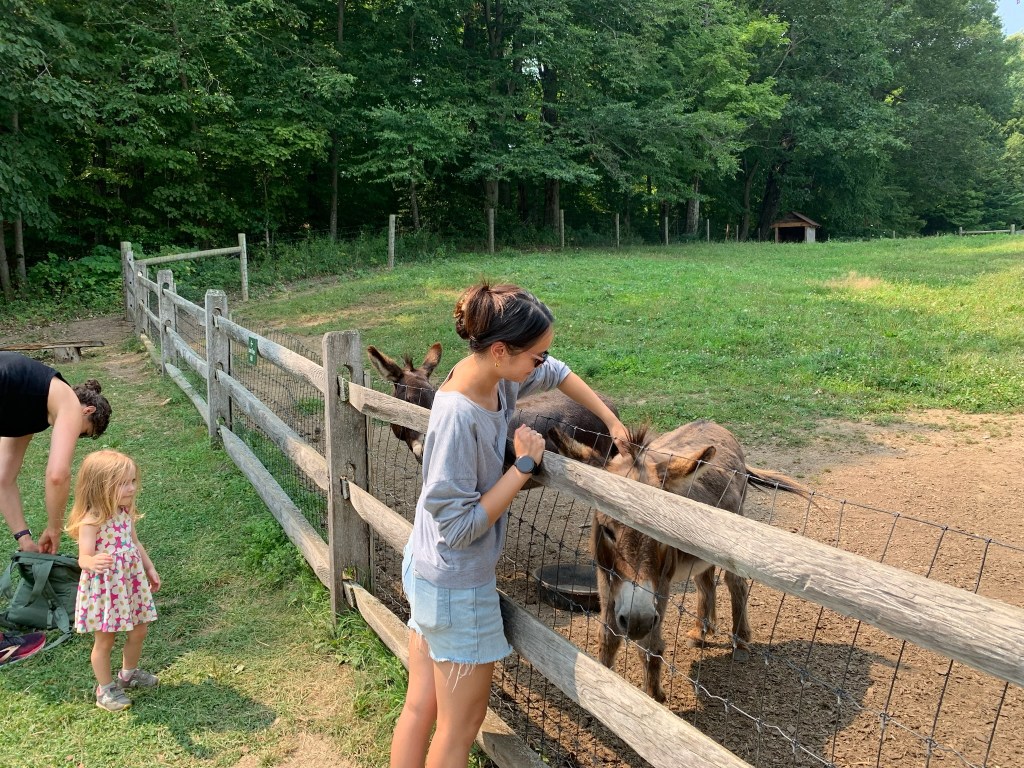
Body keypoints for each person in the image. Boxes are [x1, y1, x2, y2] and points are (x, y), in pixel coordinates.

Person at [389, 281, 628, 768]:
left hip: (428, 566)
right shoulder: (458, 416)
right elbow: (459, 526)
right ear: (500, 350)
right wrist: (521, 467)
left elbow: (559, 373)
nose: (543, 364)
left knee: (420, 706)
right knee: (458, 729)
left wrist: (611, 420)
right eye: (536, 356)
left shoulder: (494, 377)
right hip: (455, 584)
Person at [66, 449, 160, 712]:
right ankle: (105, 689)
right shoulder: (92, 519)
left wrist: (149, 567)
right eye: (123, 483)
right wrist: (91, 561)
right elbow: (83, 557)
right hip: (107, 589)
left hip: (130, 583)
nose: (132, 488)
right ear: (100, 487)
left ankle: (128, 674)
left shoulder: (124, 511)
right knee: (105, 641)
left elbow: (135, 542)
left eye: (133, 481)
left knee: (139, 630)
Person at [0, 351, 112, 554]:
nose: (76, 436)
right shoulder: (68, 402)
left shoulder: (30, 411)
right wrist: (54, 528)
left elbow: (3, 479)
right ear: (87, 411)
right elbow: (57, 475)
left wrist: (24, 539)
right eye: (83, 433)